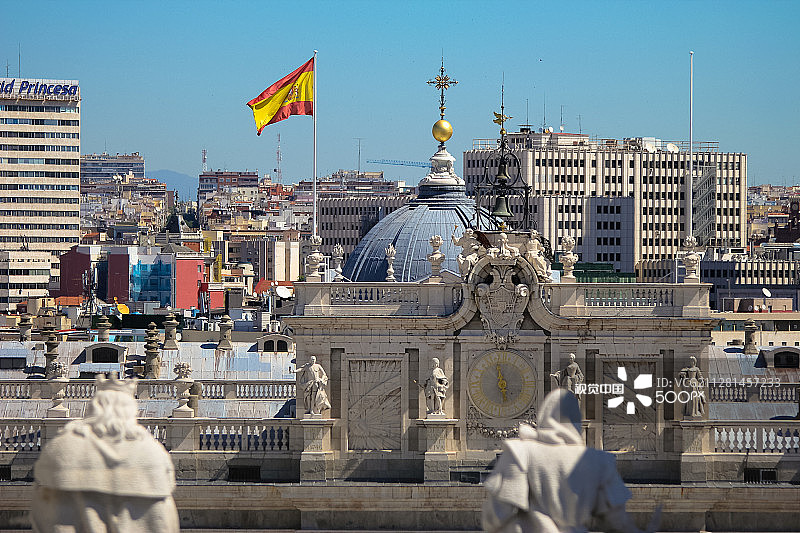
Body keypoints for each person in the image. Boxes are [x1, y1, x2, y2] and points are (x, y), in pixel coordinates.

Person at [483, 389, 660, 533]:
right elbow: (618, 523)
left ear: (544, 414)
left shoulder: (520, 452)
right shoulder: (599, 461)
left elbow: (496, 516)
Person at [32, 374, 179, 532]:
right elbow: (166, 522)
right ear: (130, 411)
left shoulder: (62, 447)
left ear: (94, 407)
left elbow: (41, 515)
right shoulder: (152, 452)